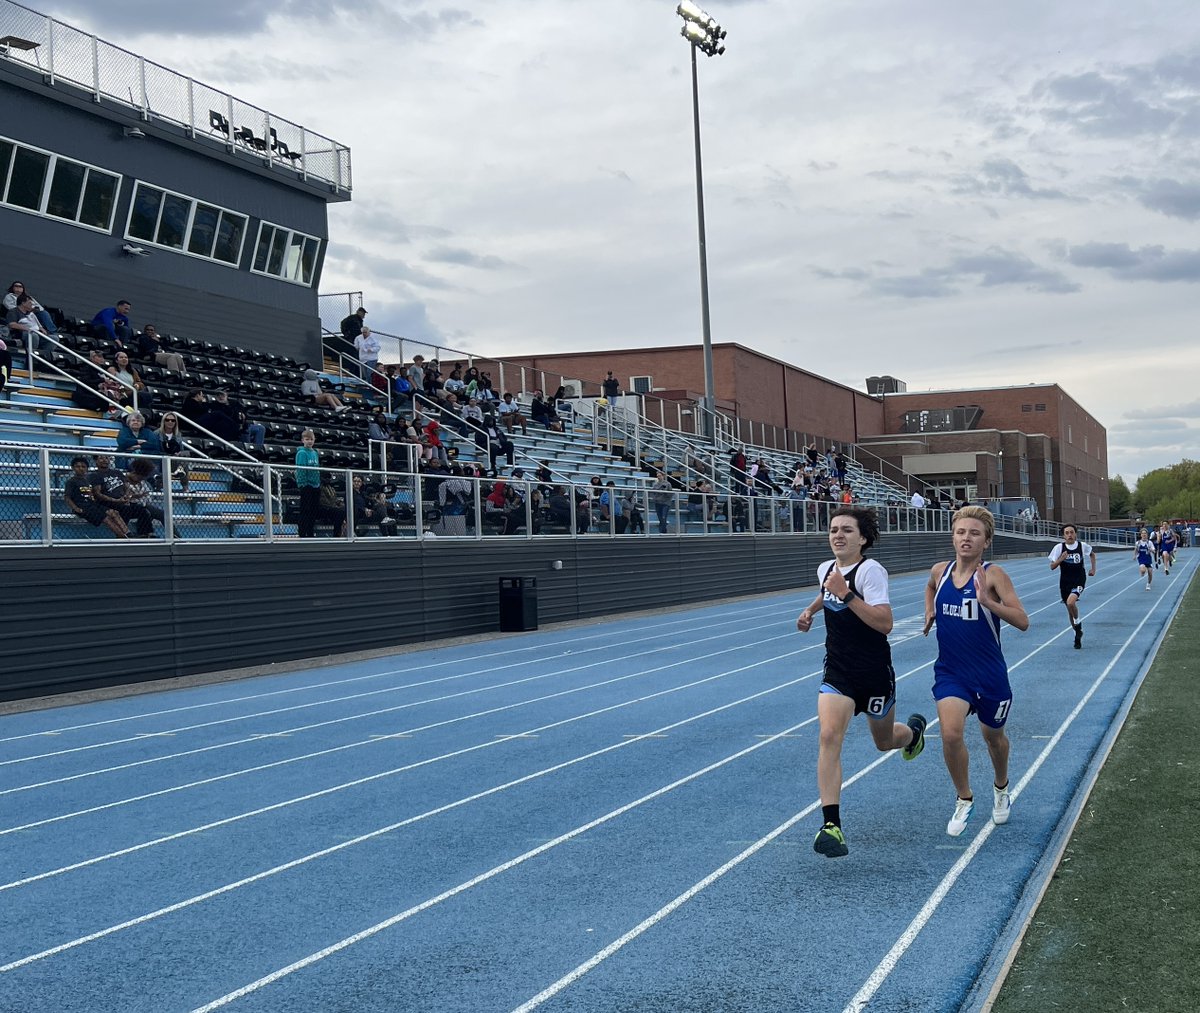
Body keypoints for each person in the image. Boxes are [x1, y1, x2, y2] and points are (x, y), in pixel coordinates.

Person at [795, 506, 927, 858]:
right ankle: (831, 825)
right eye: (833, 529)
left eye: (847, 530)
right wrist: (811, 610)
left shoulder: (871, 572)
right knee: (827, 735)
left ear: (863, 539)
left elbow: (885, 623)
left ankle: (913, 734)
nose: (838, 535)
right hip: (838, 671)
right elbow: (828, 593)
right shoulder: (826, 569)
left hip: (873, 673)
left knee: (884, 741)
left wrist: (847, 594)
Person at [923, 506, 1029, 836]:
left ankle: (1001, 789)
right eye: (961, 532)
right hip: (952, 673)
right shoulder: (940, 571)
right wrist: (929, 611)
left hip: (989, 674)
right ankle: (964, 798)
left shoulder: (994, 575)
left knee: (993, 739)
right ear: (952, 536)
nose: (966, 538)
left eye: (974, 533)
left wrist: (989, 602)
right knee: (950, 733)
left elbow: (1023, 621)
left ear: (986, 542)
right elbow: (929, 587)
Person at [1048, 524, 1096, 649]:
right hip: (1065, 582)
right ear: (1063, 535)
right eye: (1067, 533)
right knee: (1070, 609)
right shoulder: (1059, 548)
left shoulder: (1082, 546)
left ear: (1075, 533)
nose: (1069, 535)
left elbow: (1092, 554)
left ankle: (1077, 624)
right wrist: (1061, 559)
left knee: (1070, 603)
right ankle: (1076, 634)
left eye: (1072, 532)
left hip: (1079, 579)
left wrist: (1093, 569)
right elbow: (1052, 566)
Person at [63, 455, 128, 538]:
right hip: (82, 506)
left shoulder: (87, 480)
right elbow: (67, 497)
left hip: (93, 504)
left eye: (83, 467)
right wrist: (75, 508)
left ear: (87, 468)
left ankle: (128, 533)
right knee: (106, 519)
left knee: (114, 512)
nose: (81, 469)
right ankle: (122, 536)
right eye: (77, 466)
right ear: (73, 468)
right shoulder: (71, 481)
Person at [89, 453, 152, 537]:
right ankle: (122, 535)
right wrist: (116, 500)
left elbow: (127, 487)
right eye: (101, 458)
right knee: (125, 509)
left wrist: (126, 496)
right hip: (107, 502)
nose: (104, 460)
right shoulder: (94, 475)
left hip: (122, 500)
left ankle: (144, 534)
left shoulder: (117, 472)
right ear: (96, 461)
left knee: (142, 510)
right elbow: (98, 494)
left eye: (106, 458)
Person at [294, 429, 321, 538]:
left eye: (311, 439)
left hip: (315, 485)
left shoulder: (315, 453)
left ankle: (310, 532)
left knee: (313, 511)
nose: (309, 441)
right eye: (307, 439)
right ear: (302, 440)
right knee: (305, 510)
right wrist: (303, 484)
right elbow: (300, 469)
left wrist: (318, 483)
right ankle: (302, 533)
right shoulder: (301, 453)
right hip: (306, 485)